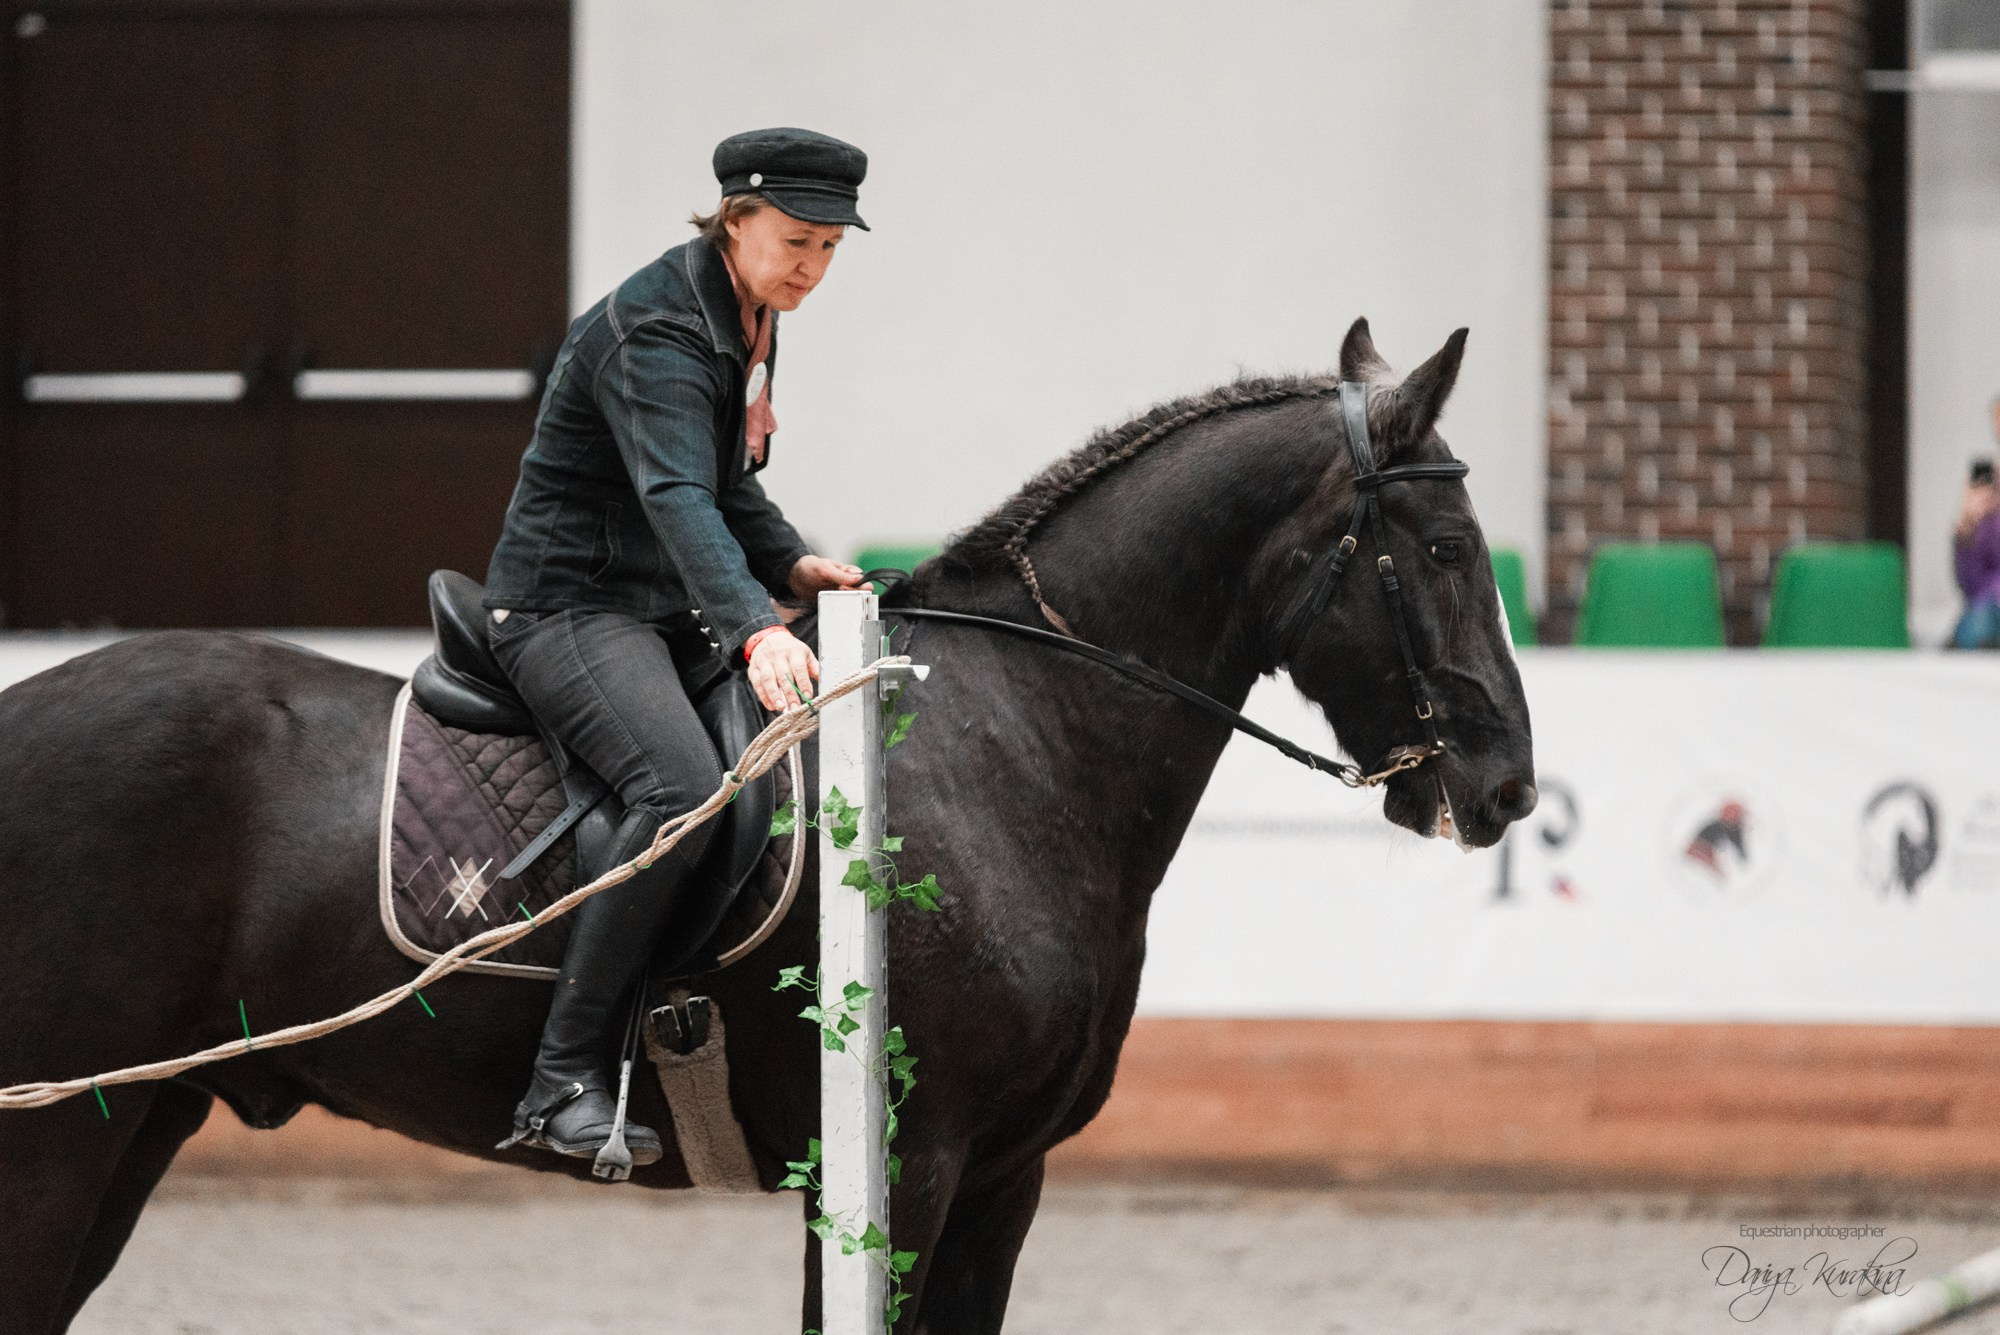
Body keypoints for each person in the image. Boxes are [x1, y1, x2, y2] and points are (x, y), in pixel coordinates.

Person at [480, 127, 868, 1164]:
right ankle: (558, 1083)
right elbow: (676, 495)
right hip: (567, 607)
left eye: (831, 247)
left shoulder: (748, 309)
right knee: (678, 790)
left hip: (657, 610)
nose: (812, 267)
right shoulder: (655, 328)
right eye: (795, 240)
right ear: (734, 220)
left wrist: (791, 568)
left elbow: (731, 482)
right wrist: (752, 629)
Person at [1954, 442, 1999, 651]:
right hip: (1984, 609)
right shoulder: (1968, 530)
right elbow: (1969, 585)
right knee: (1979, 618)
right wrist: (1968, 530)